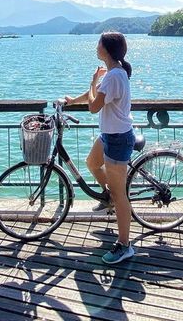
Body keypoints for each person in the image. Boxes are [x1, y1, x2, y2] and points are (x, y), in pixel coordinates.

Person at [64, 31, 135, 265]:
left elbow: (94, 106)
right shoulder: (114, 73)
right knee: (92, 163)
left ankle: (124, 245)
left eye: (99, 43)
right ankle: (109, 199)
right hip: (108, 134)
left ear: (107, 48)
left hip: (117, 138)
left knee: (120, 194)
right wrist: (73, 101)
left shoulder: (114, 76)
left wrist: (92, 83)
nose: (96, 46)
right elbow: (95, 97)